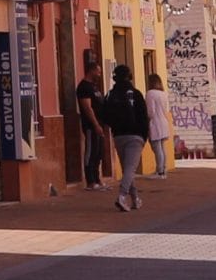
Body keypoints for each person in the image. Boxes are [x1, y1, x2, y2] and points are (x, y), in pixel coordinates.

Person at [102, 64, 151, 211]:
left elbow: (104, 115)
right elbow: (143, 116)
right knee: (130, 169)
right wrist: (144, 134)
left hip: (118, 136)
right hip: (135, 136)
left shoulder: (111, 95)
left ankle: (135, 198)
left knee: (127, 169)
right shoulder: (135, 94)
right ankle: (122, 196)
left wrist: (114, 126)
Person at [75, 54, 110, 191]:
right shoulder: (84, 87)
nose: (100, 74)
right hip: (91, 126)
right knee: (90, 152)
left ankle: (97, 179)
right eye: (98, 71)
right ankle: (90, 181)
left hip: (100, 125)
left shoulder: (94, 87)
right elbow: (87, 108)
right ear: (92, 71)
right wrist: (95, 124)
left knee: (98, 152)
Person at [145, 71, 175, 177]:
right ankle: (163, 169)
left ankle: (160, 171)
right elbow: (166, 109)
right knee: (162, 147)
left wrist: (147, 121)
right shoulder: (163, 94)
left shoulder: (150, 94)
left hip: (155, 123)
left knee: (157, 148)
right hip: (164, 122)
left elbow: (151, 112)